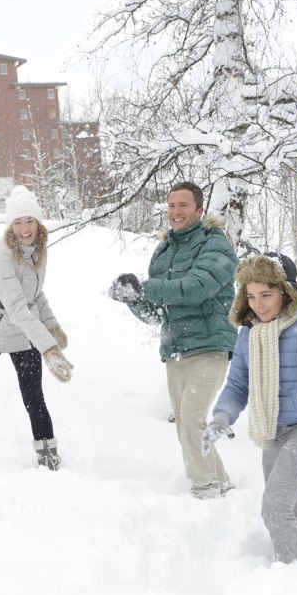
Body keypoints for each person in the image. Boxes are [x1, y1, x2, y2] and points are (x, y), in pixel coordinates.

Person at [201, 253, 297, 564]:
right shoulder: (250, 333)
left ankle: (294, 579)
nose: (258, 304)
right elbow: (238, 385)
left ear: (286, 291)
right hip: (271, 431)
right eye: (251, 295)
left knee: (275, 506)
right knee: (292, 509)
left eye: (266, 295)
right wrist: (222, 416)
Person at [108, 181, 238, 498]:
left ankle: (204, 489)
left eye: (183, 205)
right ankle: (223, 485)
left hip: (210, 347)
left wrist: (144, 287)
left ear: (199, 209)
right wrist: (133, 299)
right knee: (185, 427)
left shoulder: (216, 245)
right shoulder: (163, 251)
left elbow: (194, 289)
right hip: (175, 351)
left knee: (192, 420)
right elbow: (158, 313)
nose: (176, 212)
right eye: (171, 206)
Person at [0, 185, 74, 471]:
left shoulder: (38, 251)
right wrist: (47, 347)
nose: (25, 228)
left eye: (30, 221)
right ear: (10, 226)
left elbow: (35, 294)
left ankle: (47, 451)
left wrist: (52, 326)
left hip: (23, 333)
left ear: (38, 223)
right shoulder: (2, 256)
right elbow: (16, 308)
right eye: (18, 222)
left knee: (33, 396)